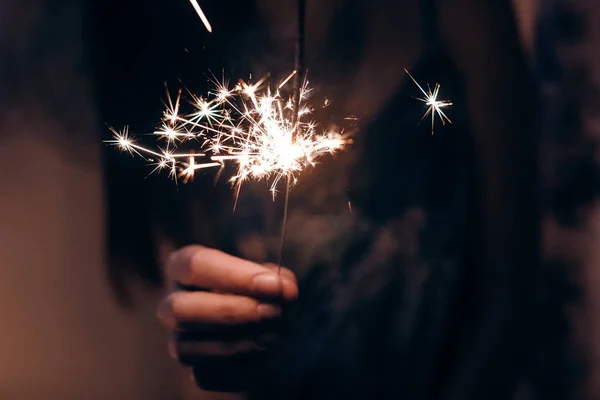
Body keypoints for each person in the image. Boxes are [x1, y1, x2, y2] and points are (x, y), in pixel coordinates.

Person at [99, 0, 587, 399]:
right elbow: (195, 323)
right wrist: (200, 332)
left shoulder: (457, 14)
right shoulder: (167, 36)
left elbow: (510, 295)